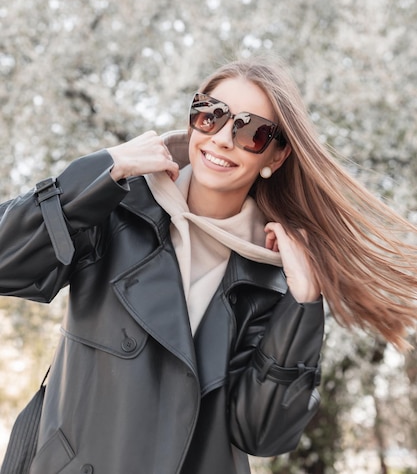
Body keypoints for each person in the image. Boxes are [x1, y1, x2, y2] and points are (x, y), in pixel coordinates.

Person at [0, 59, 416, 474]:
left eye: (252, 132)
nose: (221, 139)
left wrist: (304, 301)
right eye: (210, 114)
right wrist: (100, 172)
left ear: (276, 154)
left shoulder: (269, 274)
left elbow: (262, 434)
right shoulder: (117, 209)